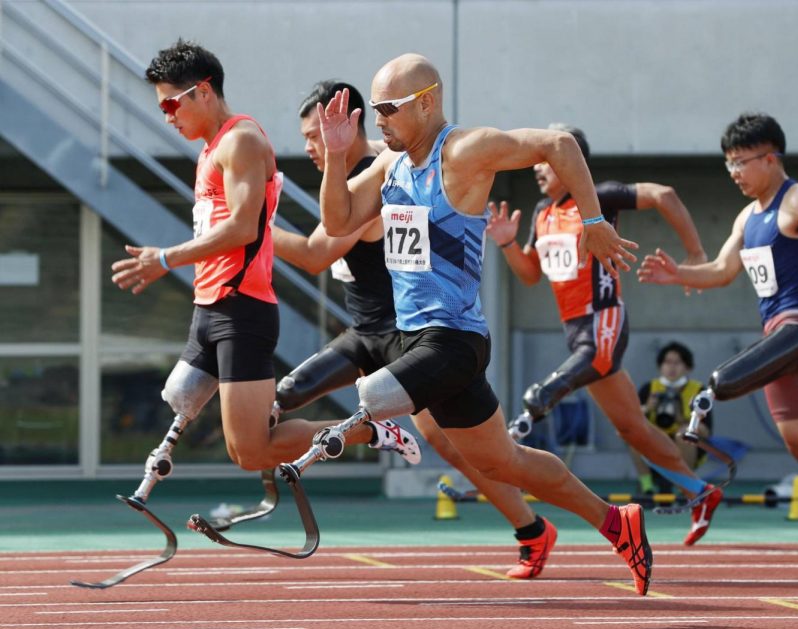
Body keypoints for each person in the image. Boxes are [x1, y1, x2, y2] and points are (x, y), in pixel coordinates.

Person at [288, 53, 652, 595]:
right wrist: (339, 158)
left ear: (427, 102)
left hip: (454, 339)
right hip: (416, 338)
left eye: (388, 108)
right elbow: (338, 221)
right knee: (503, 462)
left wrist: (595, 219)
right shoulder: (390, 165)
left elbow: (560, 145)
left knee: (376, 391)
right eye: (376, 108)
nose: (379, 118)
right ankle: (615, 522)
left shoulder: (463, 150)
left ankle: (374, 428)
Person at [273, 80, 555, 579]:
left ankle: (529, 528)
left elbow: (318, 252)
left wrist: (248, 229)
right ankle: (527, 525)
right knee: (285, 395)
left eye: (316, 135)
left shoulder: (383, 170)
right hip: (364, 332)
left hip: (407, 334)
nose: (311, 148)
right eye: (308, 137)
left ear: (353, 121)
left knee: (459, 446)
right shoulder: (366, 169)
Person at [110, 41, 400, 476]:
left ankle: (370, 432)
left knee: (253, 448)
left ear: (203, 92)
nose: (167, 115)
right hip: (214, 305)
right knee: (216, 421)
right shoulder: (209, 151)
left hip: (251, 309)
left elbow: (252, 231)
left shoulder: (242, 140)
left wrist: (166, 259)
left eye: (172, 103)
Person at [638, 112, 798, 556]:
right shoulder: (746, 217)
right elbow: (721, 271)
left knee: (722, 382)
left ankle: (709, 395)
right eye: (729, 164)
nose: (734, 173)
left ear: (771, 158)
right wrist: (676, 273)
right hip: (778, 338)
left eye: (742, 162)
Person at [486, 123, 720, 546]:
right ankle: (700, 493)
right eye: (537, 159)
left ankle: (538, 404)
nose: (539, 166)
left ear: (571, 161)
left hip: (604, 322)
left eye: (548, 158)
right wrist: (506, 245)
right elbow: (530, 275)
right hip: (574, 332)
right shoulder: (542, 213)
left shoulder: (599, 198)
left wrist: (696, 254)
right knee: (632, 429)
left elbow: (663, 194)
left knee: (554, 387)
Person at [632, 342, 711, 495]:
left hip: (685, 447)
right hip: (655, 443)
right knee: (634, 434)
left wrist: (683, 420)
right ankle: (647, 487)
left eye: (677, 363)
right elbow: (630, 420)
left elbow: (706, 432)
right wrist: (647, 408)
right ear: (660, 366)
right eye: (667, 362)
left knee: (684, 435)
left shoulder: (699, 390)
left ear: (688, 367)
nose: (672, 367)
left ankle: (685, 487)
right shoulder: (649, 388)